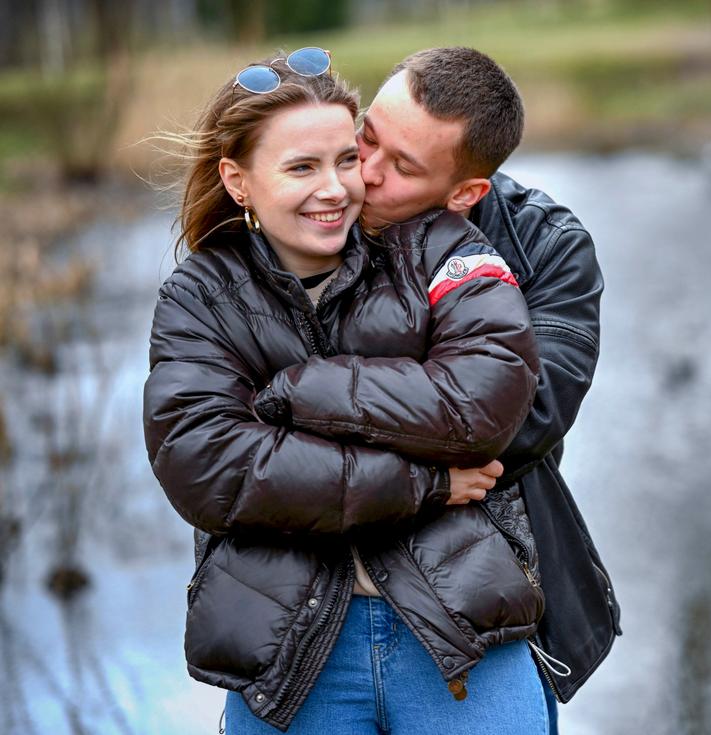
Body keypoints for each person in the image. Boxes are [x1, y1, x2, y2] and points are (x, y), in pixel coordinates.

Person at [143, 47, 552, 733]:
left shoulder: (443, 249)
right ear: (238, 180)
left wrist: (300, 391)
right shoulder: (199, 297)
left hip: (457, 630)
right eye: (301, 167)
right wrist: (426, 483)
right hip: (288, 651)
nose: (336, 187)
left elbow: (482, 405)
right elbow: (211, 468)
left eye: (343, 157)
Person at [260, 47, 623, 732]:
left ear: (465, 194)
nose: (361, 174)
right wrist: (433, 450)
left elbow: (520, 419)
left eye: (401, 167)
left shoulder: (549, 247)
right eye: (368, 135)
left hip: (475, 604)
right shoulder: (298, 208)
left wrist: (313, 413)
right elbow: (233, 431)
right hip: (295, 604)